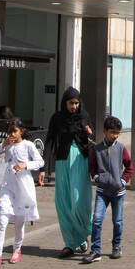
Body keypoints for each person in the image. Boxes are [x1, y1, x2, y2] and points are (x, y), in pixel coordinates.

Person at [0, 120, 43, 269]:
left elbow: (40, 161)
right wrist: (3, 145)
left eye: (14, 131)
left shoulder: (28, 145)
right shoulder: (7, 145)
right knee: (3, 218)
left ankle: (17, 248)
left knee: (19, 221)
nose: (12, 135)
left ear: (21, 131)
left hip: (24, 186)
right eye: (9, 132)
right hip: (8, 185)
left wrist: (25, 165)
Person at [47, 86, 93, 257]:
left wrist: (89, 132)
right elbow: (50, 140)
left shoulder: (84, 116)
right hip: (62, 161)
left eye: (76, 102)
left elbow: (90, 138)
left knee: (78, 201)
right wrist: (45, 168)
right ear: (64, 103)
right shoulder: (57, 118)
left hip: (80, 160)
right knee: (63, 203)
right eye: (71, 103)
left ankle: (85, 232)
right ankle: (70, 243)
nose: (74, 106)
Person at [84, 115, 133, 263]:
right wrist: (97, 178)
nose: (115, 135)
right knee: (97, 220)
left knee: (117, 221)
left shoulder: (121, 148)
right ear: (105, 131)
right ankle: (95, 250)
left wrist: (123, 181)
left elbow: (129, 166)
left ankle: (116, 246)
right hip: (102, 191)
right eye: (112, 132)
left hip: (118, 192)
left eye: (117, 132)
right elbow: (92, 167)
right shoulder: (97, 149)